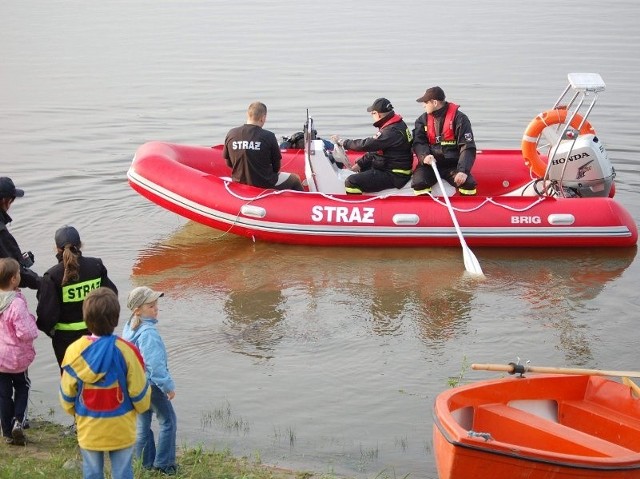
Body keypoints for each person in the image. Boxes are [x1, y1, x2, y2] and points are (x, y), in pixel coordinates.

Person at [59, 287, 150, 479]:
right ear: (116, 319)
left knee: (92, 472)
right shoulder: (127, 351)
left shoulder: (74, 351)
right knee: (123, 471)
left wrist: (72, 411)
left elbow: (67, 392)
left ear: (86, 318)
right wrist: (141, 408)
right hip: (121, 426)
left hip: (89, 426)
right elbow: (139, 392)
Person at [36, 226, 118, 371]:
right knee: (101, 377)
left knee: (71, 383)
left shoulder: (52, 276)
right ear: (80, 245)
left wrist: (53, 333)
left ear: (57, 249)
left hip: (66, 342)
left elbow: (46, 316)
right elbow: (112, 296)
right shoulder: (96, 266)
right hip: (97, 335)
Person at [123, 286, 177, 475]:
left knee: (143, 425)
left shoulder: (130, 326)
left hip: (135, 385)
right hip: (151, 385)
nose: (156, 309)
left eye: (156, 305)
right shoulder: (149, 333)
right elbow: (155, 366)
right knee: (168, 421)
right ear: (138, 309)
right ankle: (164, 464)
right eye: (151, 306)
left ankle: (145, 463)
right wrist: (168, 386)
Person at [331, 98, 413, 194]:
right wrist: (360, 164)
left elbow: (366, 145)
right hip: (392, 167)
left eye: (373, 113)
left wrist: (344, 143)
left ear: (378, 114)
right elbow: (377, 149)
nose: (371, 115)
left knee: (351, 182)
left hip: (395, 174)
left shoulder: (391, 131)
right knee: (362, 164)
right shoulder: (396, 124)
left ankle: (357, 206)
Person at [223, 101, 304, 191]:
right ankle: (303, 202)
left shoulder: (231, 134)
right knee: (295, 179)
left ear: (248, 115)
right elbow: (276, 167)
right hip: (265, 183)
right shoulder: (269, 136)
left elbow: (229, 163)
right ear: (263, 118)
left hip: (239, 181)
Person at [411, 86, 478, 196]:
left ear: (435, 102)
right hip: (431, 164)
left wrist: (463, 170)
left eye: (425, 103)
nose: (423, 106)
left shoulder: (460, 119)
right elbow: (419, 142)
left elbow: (467, 146)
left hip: (452, 165)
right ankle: (425, 209)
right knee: (419, 182)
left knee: (468, 184)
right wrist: (424, 156)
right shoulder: (422, 120)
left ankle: (467, 208)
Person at [0, 258, 38, 446]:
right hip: (16, 358)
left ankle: (6, 432)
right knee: (23, 387)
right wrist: (32, 320)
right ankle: (18, 421)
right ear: (14, 279)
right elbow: (26, 332)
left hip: (0, 360)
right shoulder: (16, 304)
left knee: (3, 394)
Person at [0, 177, 41, 290]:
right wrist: (44, 283)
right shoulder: (2, 233)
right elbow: (15, 272)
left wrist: (21, 259)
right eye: (12, 199)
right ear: (4, 200)